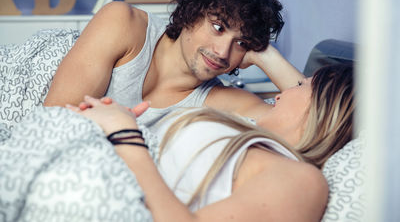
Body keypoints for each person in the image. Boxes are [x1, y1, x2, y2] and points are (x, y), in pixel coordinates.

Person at [66, 63, 355, 221]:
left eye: (302, 85)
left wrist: (124, 133)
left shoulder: (302, 180)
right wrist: (118, 123)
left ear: (324, 105)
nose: (281, 94)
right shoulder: (253, 134)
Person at [44, 0, 304, 129]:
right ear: (193, 11)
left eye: (241, 43)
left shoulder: (221, 100)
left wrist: (266, 55)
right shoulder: (124, 23)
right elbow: (54, 123)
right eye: (218, 27)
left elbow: (316, 121)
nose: (222, 52)